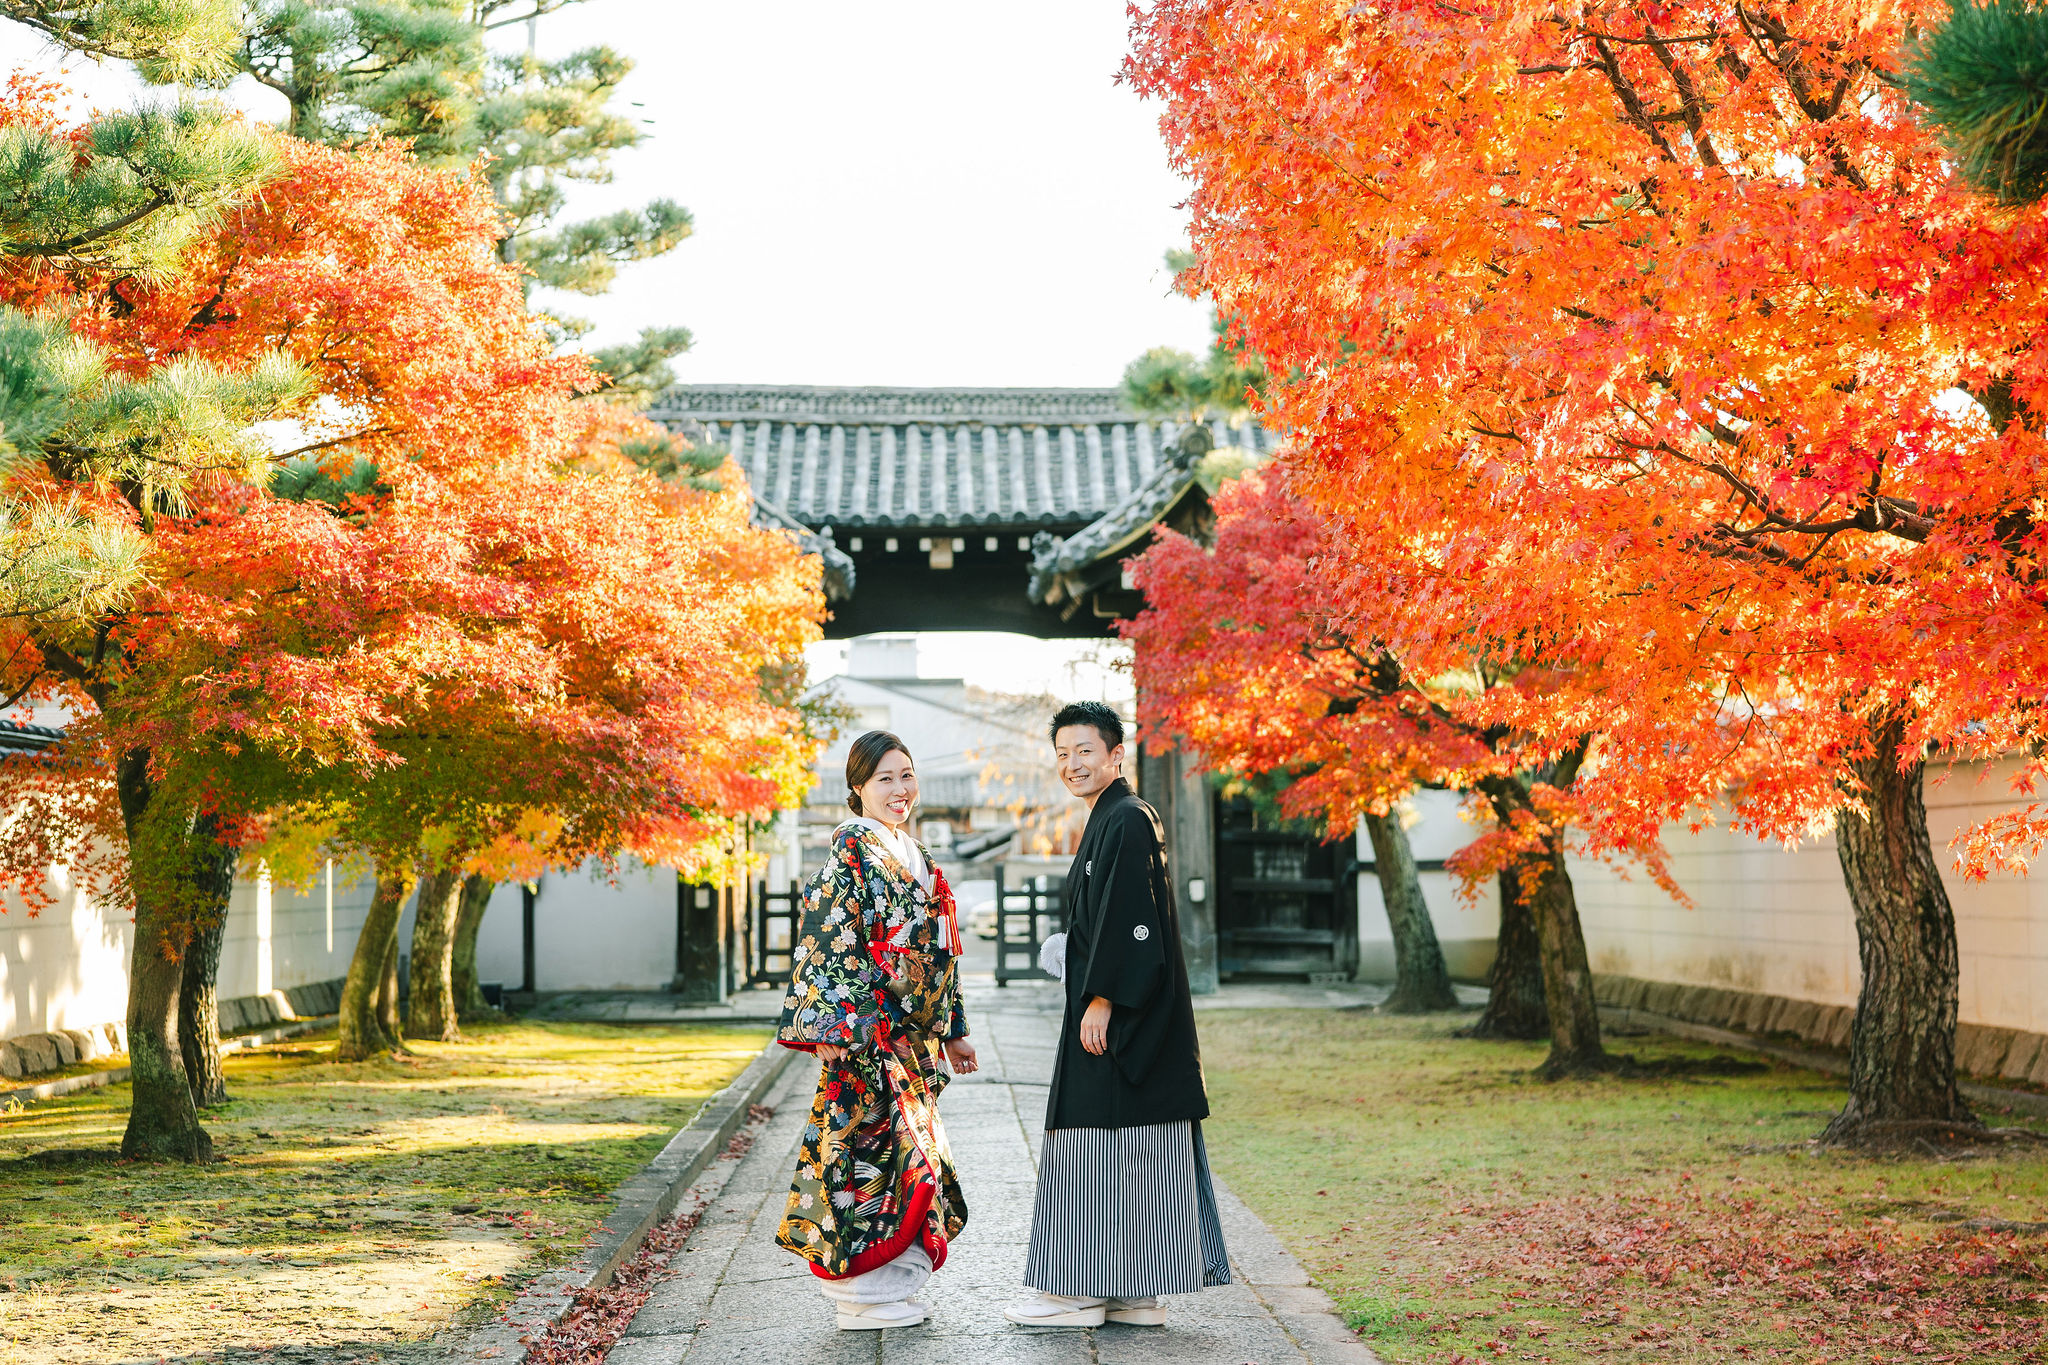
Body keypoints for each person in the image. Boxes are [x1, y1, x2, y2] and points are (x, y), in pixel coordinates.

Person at [1005, 700, 1231, 1329]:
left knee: (1093, 1137)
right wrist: (1073, 952)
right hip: (1124, 1011)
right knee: (1129, 1142)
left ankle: (1076, 1293)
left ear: (1114, 754)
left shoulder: (1126, 818)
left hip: (1118, 1013)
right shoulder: (1113, 817)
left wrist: (1102, 997)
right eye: (1062, 754)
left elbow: (1134, 920)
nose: (1072, 764)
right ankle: (1134, 1290)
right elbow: (1106, 914)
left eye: (1084, 751)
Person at [774, 730, 978, 1330]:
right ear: (857, 788)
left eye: (907, 775)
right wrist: (838, 1024)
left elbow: (942, 951)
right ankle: (861, 1291)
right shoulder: (852, 852)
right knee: (868, 1158)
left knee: (913, 1158)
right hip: (867, 1036)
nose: (899, 789)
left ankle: (890, 1287)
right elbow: (830, 936)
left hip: (911, 1040)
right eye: (884, 778)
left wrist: (953, 1028)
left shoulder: (919, 854)